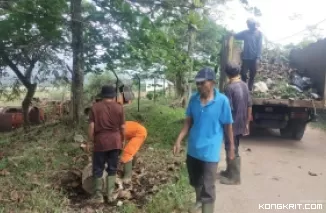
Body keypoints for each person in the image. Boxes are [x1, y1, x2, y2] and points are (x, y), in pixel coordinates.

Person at [173, 67, 235, 213]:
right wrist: (178, 140)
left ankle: (206, 207)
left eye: (203, 83)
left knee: (208, 186)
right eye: (198, 83)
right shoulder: (193, 99)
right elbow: (188, 122)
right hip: (193, 149)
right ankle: (198, 201)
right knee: (195, 181)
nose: (199, 86)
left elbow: (228, 127)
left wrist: (231, 148)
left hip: (210, 151)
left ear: (212, 82)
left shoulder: (222, 101)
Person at [88, 85, 125, 204]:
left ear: (102, 95)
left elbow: (91, 127)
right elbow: (123, 127)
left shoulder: (95, 107)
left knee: (98, 168)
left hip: (100, 142)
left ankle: (98, 196)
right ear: (113, 95)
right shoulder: (119, 108)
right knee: (112, 168)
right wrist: (122, 140)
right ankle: (110, 195)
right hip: (115, 141)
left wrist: (92, 139)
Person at [219, 63, 252, 185]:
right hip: (241, 122)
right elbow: (249, 105)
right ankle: (229, 171)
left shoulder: (229, 88)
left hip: (232, 123)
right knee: (234, 146)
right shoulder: (244, 85)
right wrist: (247, 123)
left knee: (231, 147)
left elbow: (228, 109)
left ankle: (235, 178)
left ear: (227, 74)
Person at [233, 18, 263, 91]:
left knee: (252, 74)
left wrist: (258, 58)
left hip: (254, 58)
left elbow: (259, 46)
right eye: (248, 25)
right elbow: (236, 36)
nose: (249, 26)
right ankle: (244, 87)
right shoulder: (245, 33)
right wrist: (232, 33)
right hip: (246, 57)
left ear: (254, 25)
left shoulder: (259, 33)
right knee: (243, 73)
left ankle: (250, 88)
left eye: (250, 24)